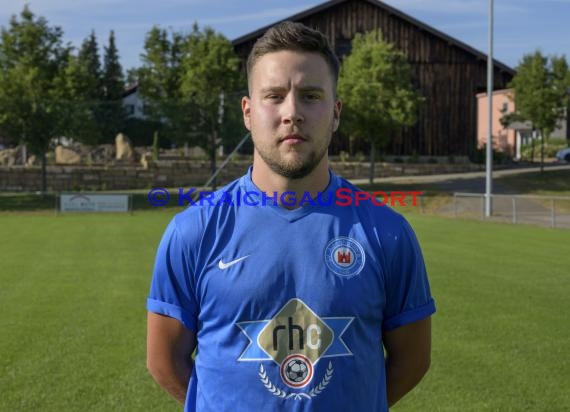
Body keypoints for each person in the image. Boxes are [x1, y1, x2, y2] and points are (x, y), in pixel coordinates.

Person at [146, 21, 435, 411]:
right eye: (274, 96)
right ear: (248, 112)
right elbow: (164, 361)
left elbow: (412, 360)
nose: (292, 112)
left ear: (335, 113)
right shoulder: (193, 231)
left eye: (310, 95)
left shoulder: (387, 233)